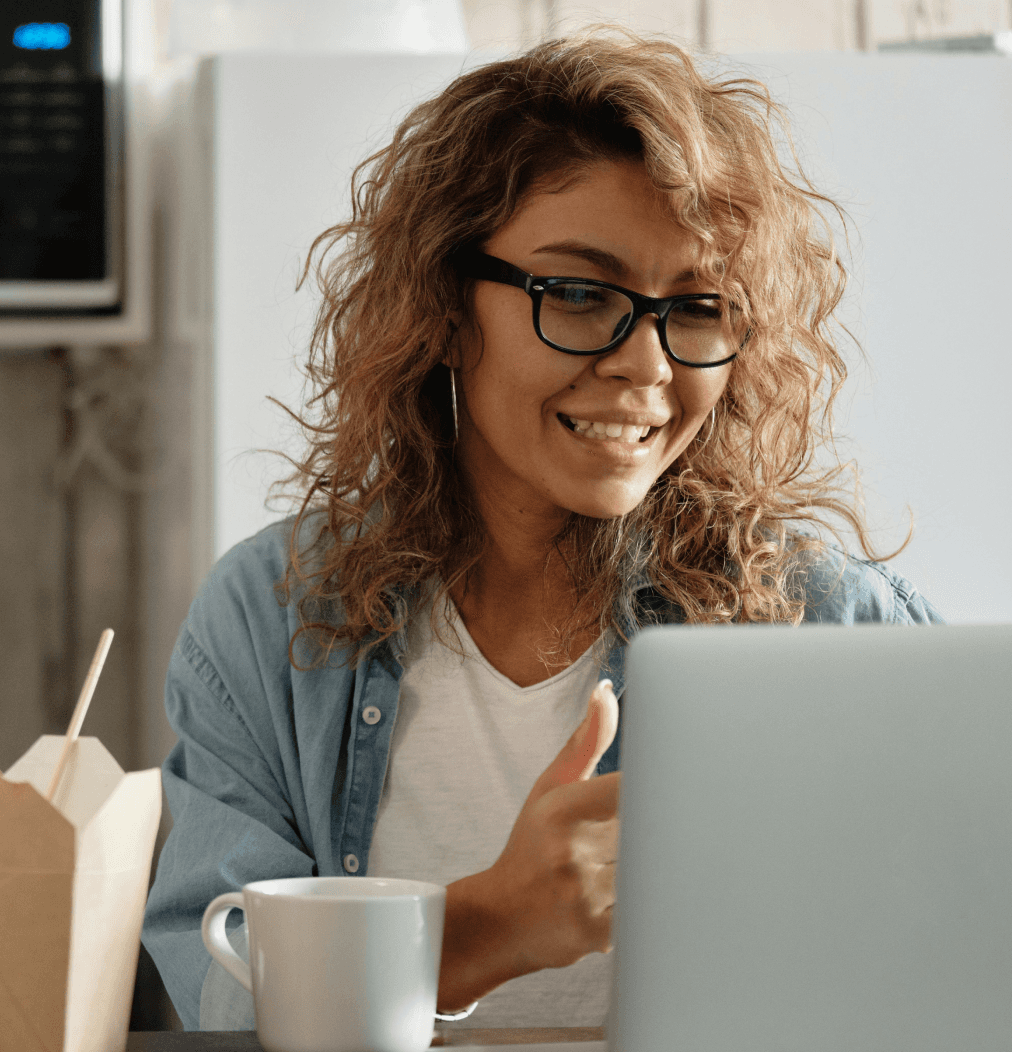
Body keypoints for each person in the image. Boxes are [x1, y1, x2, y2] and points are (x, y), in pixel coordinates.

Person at [141, 30, 942, 1032]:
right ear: (442, 304)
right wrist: (487, 924)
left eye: (696, 307)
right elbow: (218, 999)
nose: (646, 364)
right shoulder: (269, 622)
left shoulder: (833, 624)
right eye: (576, 292)